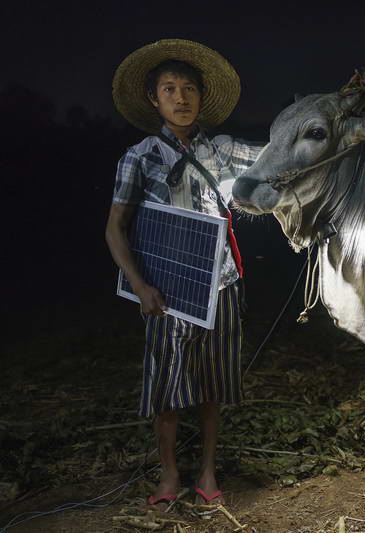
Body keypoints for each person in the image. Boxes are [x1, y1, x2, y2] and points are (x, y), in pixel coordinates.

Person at [105, 39, 263, 510]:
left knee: (213, 384)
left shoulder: (224, 149)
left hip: (221, 286)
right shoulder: (141, 156)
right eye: (169, 88)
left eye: (189, 88)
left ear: (200, 96)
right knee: (168, 389)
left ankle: (209, 470)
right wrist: (138, 284)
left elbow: (278, 157)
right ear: (155, 99)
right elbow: (115, 229)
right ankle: (170, 473)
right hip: (166, 292)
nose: (181, 97)